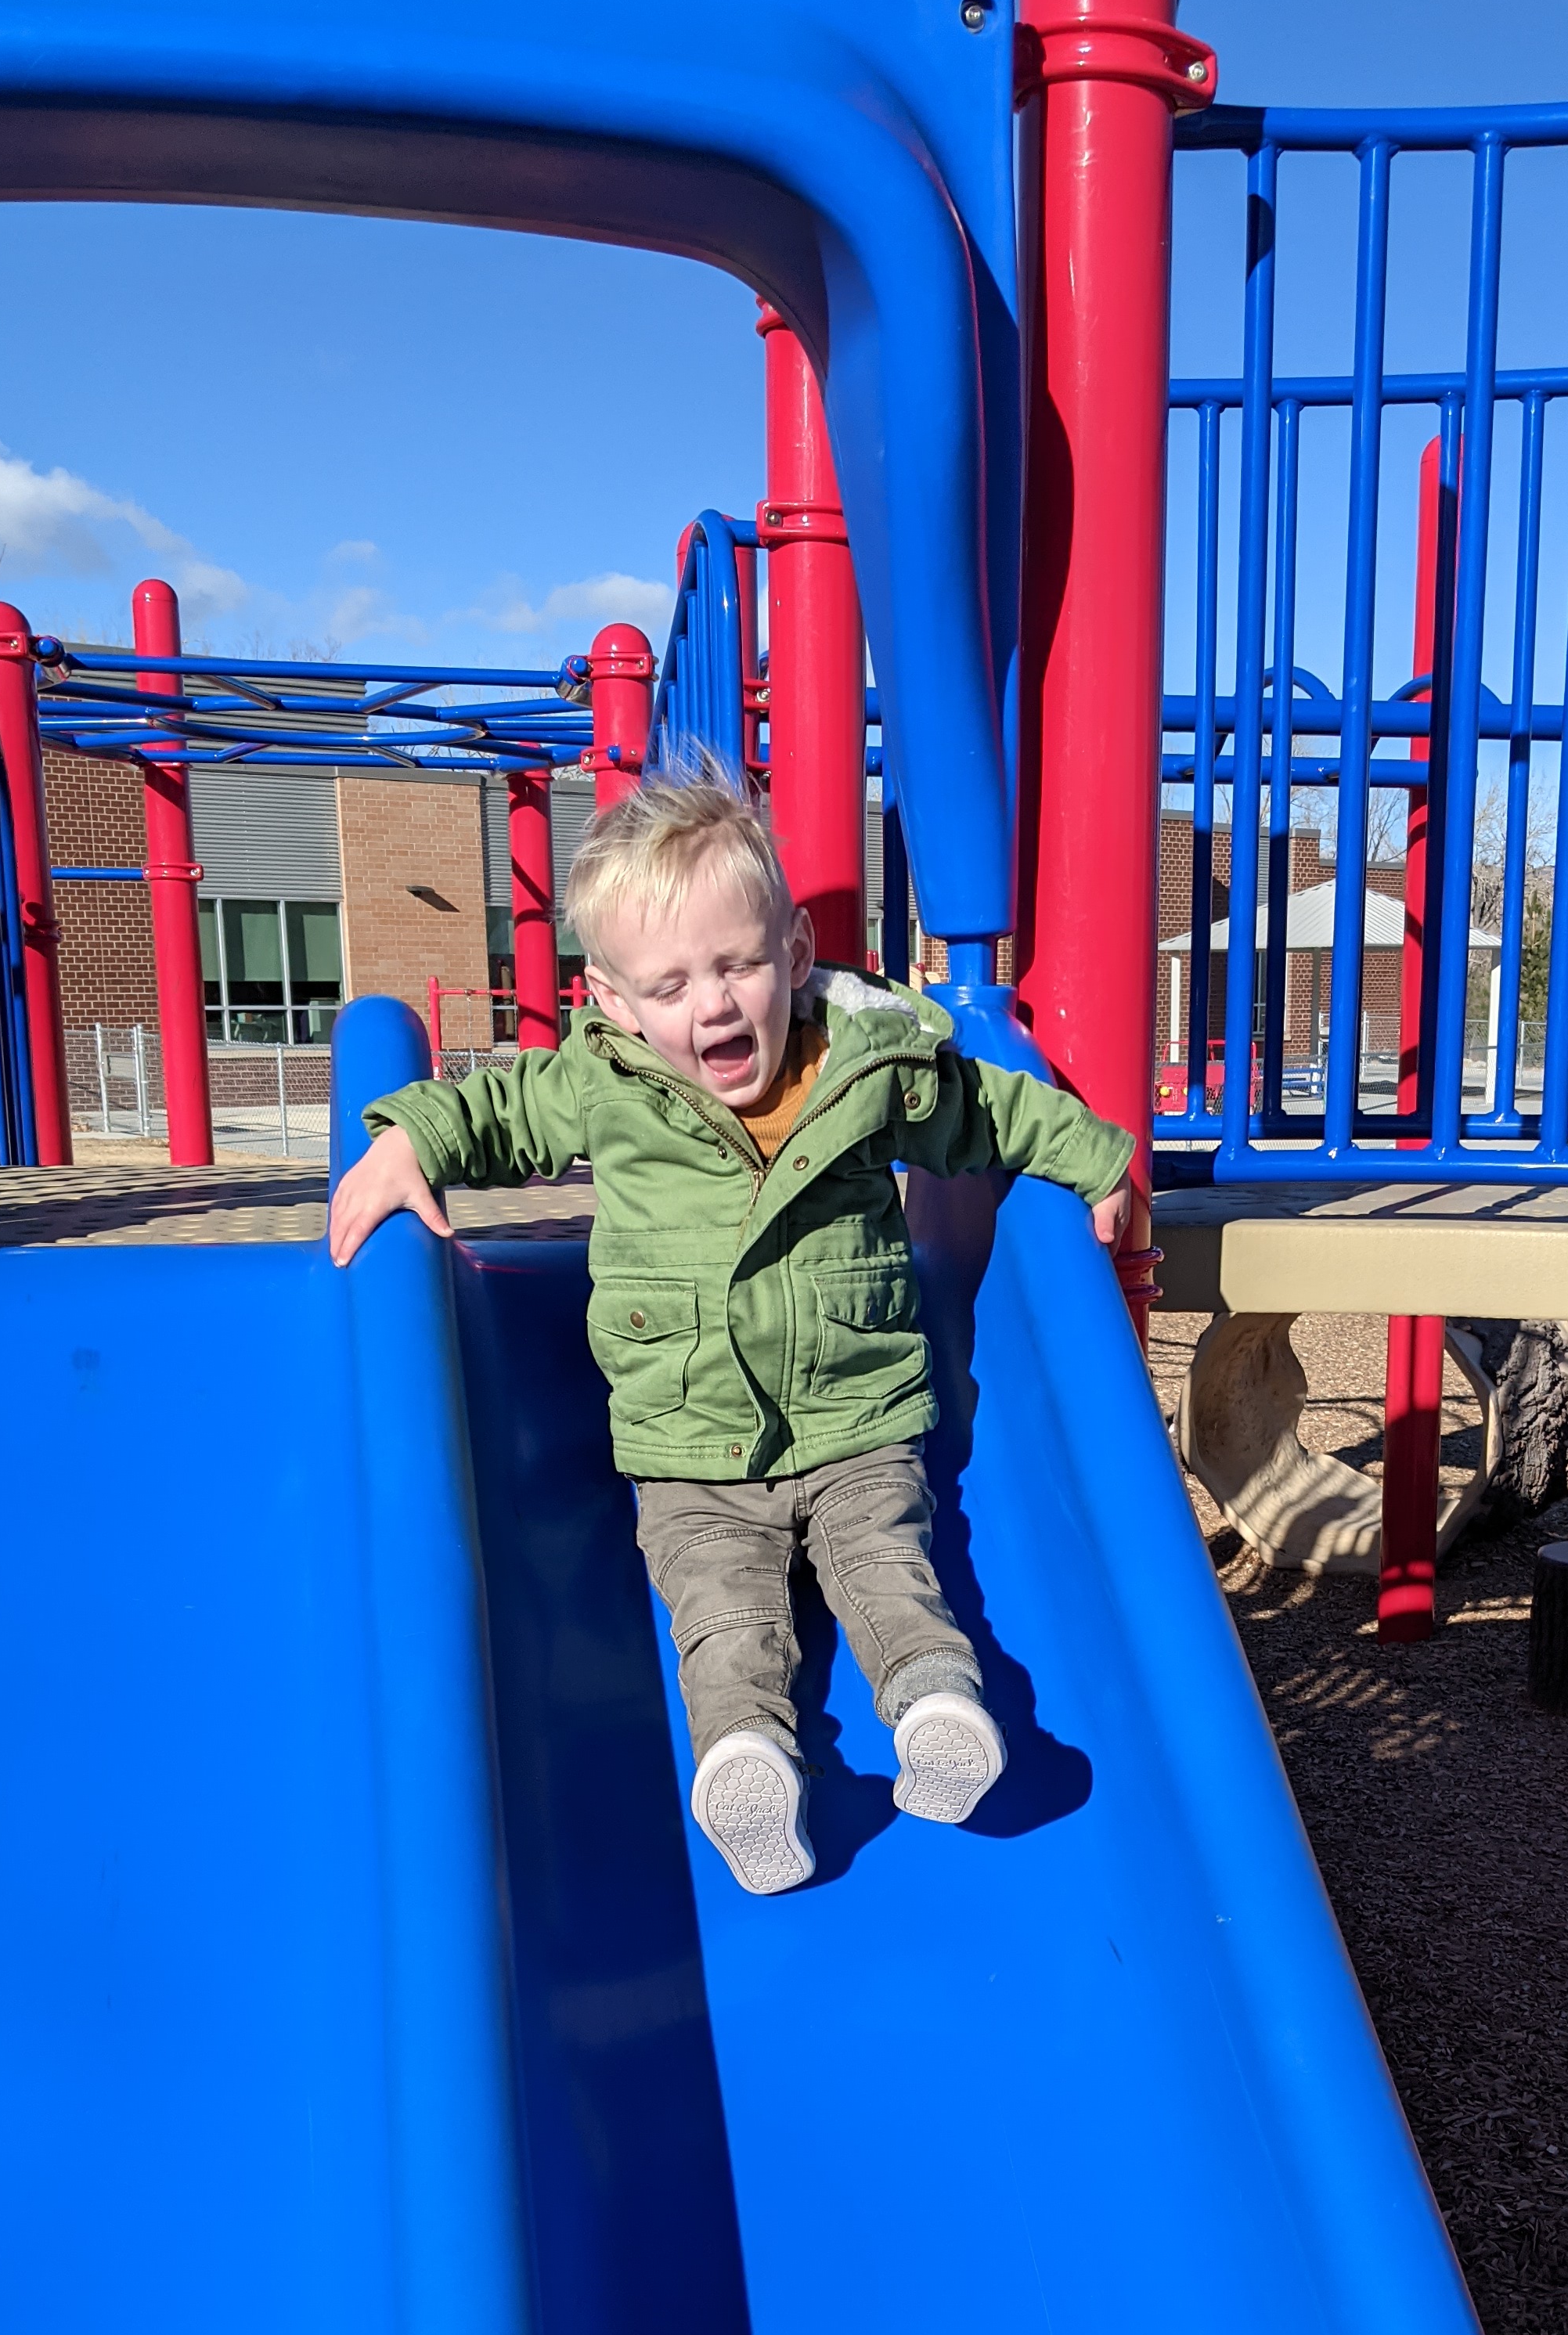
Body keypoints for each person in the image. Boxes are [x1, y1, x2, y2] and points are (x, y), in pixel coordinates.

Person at [329, 769, 1134, 1897]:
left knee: (889, 1567)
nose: (712, 1004)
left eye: (738, 965)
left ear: (796, 954)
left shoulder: (872, 1071)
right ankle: (746, 1762)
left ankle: (938, 1706)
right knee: (721, 1609)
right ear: (611, 1002)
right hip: (691, 1446)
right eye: (670, 984)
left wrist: (1098, 1160)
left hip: (857, 1419)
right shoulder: (603, 1084)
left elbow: (987, 1112)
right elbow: (498, 1111)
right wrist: (408, 1140)